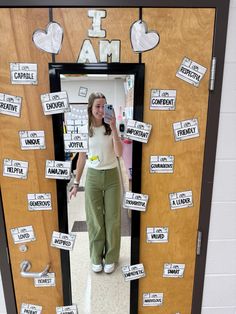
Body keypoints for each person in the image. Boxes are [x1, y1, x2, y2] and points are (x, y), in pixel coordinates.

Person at [70, 92, 123, 274]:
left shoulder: (111, 128)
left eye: (104, 106)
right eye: (97, 106)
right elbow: (81, 158)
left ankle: (111, 257)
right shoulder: (85, 129)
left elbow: (119, 152)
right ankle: (95, 257)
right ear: (90, 109)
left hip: (112, 177)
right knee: (94, 220)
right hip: (92, 177)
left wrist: (114, 128)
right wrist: (76, 183)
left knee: (113, 219)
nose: (101, 110)